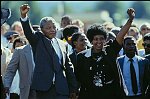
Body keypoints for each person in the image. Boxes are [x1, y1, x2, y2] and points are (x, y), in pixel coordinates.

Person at [20, 4, 77, 99]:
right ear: (42, 30)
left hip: (62, 88)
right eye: (48, 28)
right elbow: (29, 33)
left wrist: (73, 88)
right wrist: (24, 17)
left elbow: (68, 67)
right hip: (44, 89)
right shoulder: (38, 40)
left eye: (54, 27)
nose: (52, 30)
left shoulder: (63, 44)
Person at [75, 8, 135, 99]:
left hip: (111, 94)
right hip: (90, 95)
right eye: (96, 39)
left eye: (101, 39)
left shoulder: (110, 51)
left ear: (105, 39)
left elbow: (120, 35)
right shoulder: (82, 57)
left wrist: (130, 20)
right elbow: (78, 78)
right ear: (91, 41)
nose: (99, 42)